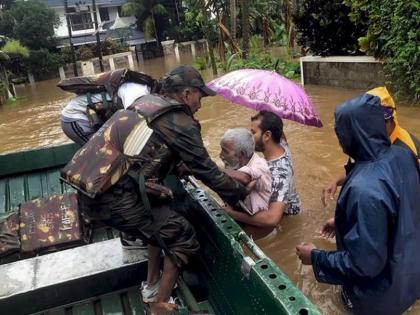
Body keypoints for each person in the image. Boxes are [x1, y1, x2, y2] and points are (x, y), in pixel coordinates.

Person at [75, 65, 246, 314]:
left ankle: (152, 285)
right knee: (183, 236)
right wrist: (240, 192)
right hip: (114, 198)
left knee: (162, 216)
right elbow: (208, 172)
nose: (200, 104)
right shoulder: (180, 121)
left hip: (91, 191)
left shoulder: (146, 102)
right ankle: (159, 307)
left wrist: (180, 166)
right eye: (200, 96)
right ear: (186, 94)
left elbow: (149, 151)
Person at [296, 92, 420, 315]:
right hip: (410, 281)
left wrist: (315, 258)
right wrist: (345, 221)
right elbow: (402, 212)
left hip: (378, 301)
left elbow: (363, 264)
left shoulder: (364, 187)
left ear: (347, 135)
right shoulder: (403, 156)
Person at [320, 86, 420, 237]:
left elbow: (405, 206)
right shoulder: (372, 141)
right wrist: (336, 180)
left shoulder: (407, 152)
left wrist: (350, 221)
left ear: (388, 120)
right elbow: (361, 169)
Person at [224, 111, 301, 239]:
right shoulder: (280, 143)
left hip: (285, 218)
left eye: (253, 133)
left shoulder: (279, 173)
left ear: (267, 136)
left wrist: (231, 214)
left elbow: (272, 219)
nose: (249, 137)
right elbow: (278, 129)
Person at [60, 81, 150, 146]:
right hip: (74, 118)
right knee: (99, 150)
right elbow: (132, 118)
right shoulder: (137, 91)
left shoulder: (143, 88)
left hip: (91, 116)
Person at [219, 128, 272, 215]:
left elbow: (244, 178)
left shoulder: (260, 165)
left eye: (225, 151)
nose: (221, 155)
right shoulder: (234, 164)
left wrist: (210, 170)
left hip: (257, 225)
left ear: (242, 154)